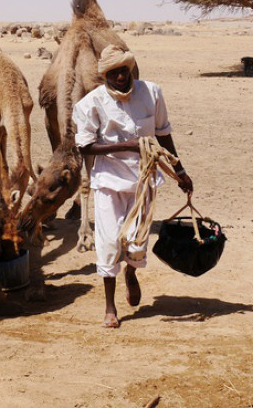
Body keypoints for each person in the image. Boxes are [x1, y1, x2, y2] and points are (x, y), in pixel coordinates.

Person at [72, 45, 194, 328]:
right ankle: (110, 307)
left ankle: (131, 273)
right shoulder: (90, 104)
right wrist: (125, 145)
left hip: (144, 180)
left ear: (130, 69)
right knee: (110, 242)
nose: (119, 78)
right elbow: (86, 146)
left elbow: (163, 135)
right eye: (113, 73)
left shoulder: (151, 93)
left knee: (137, 246)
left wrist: (180, 171)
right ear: (105, 75)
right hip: (108, 182)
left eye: (123, 71)